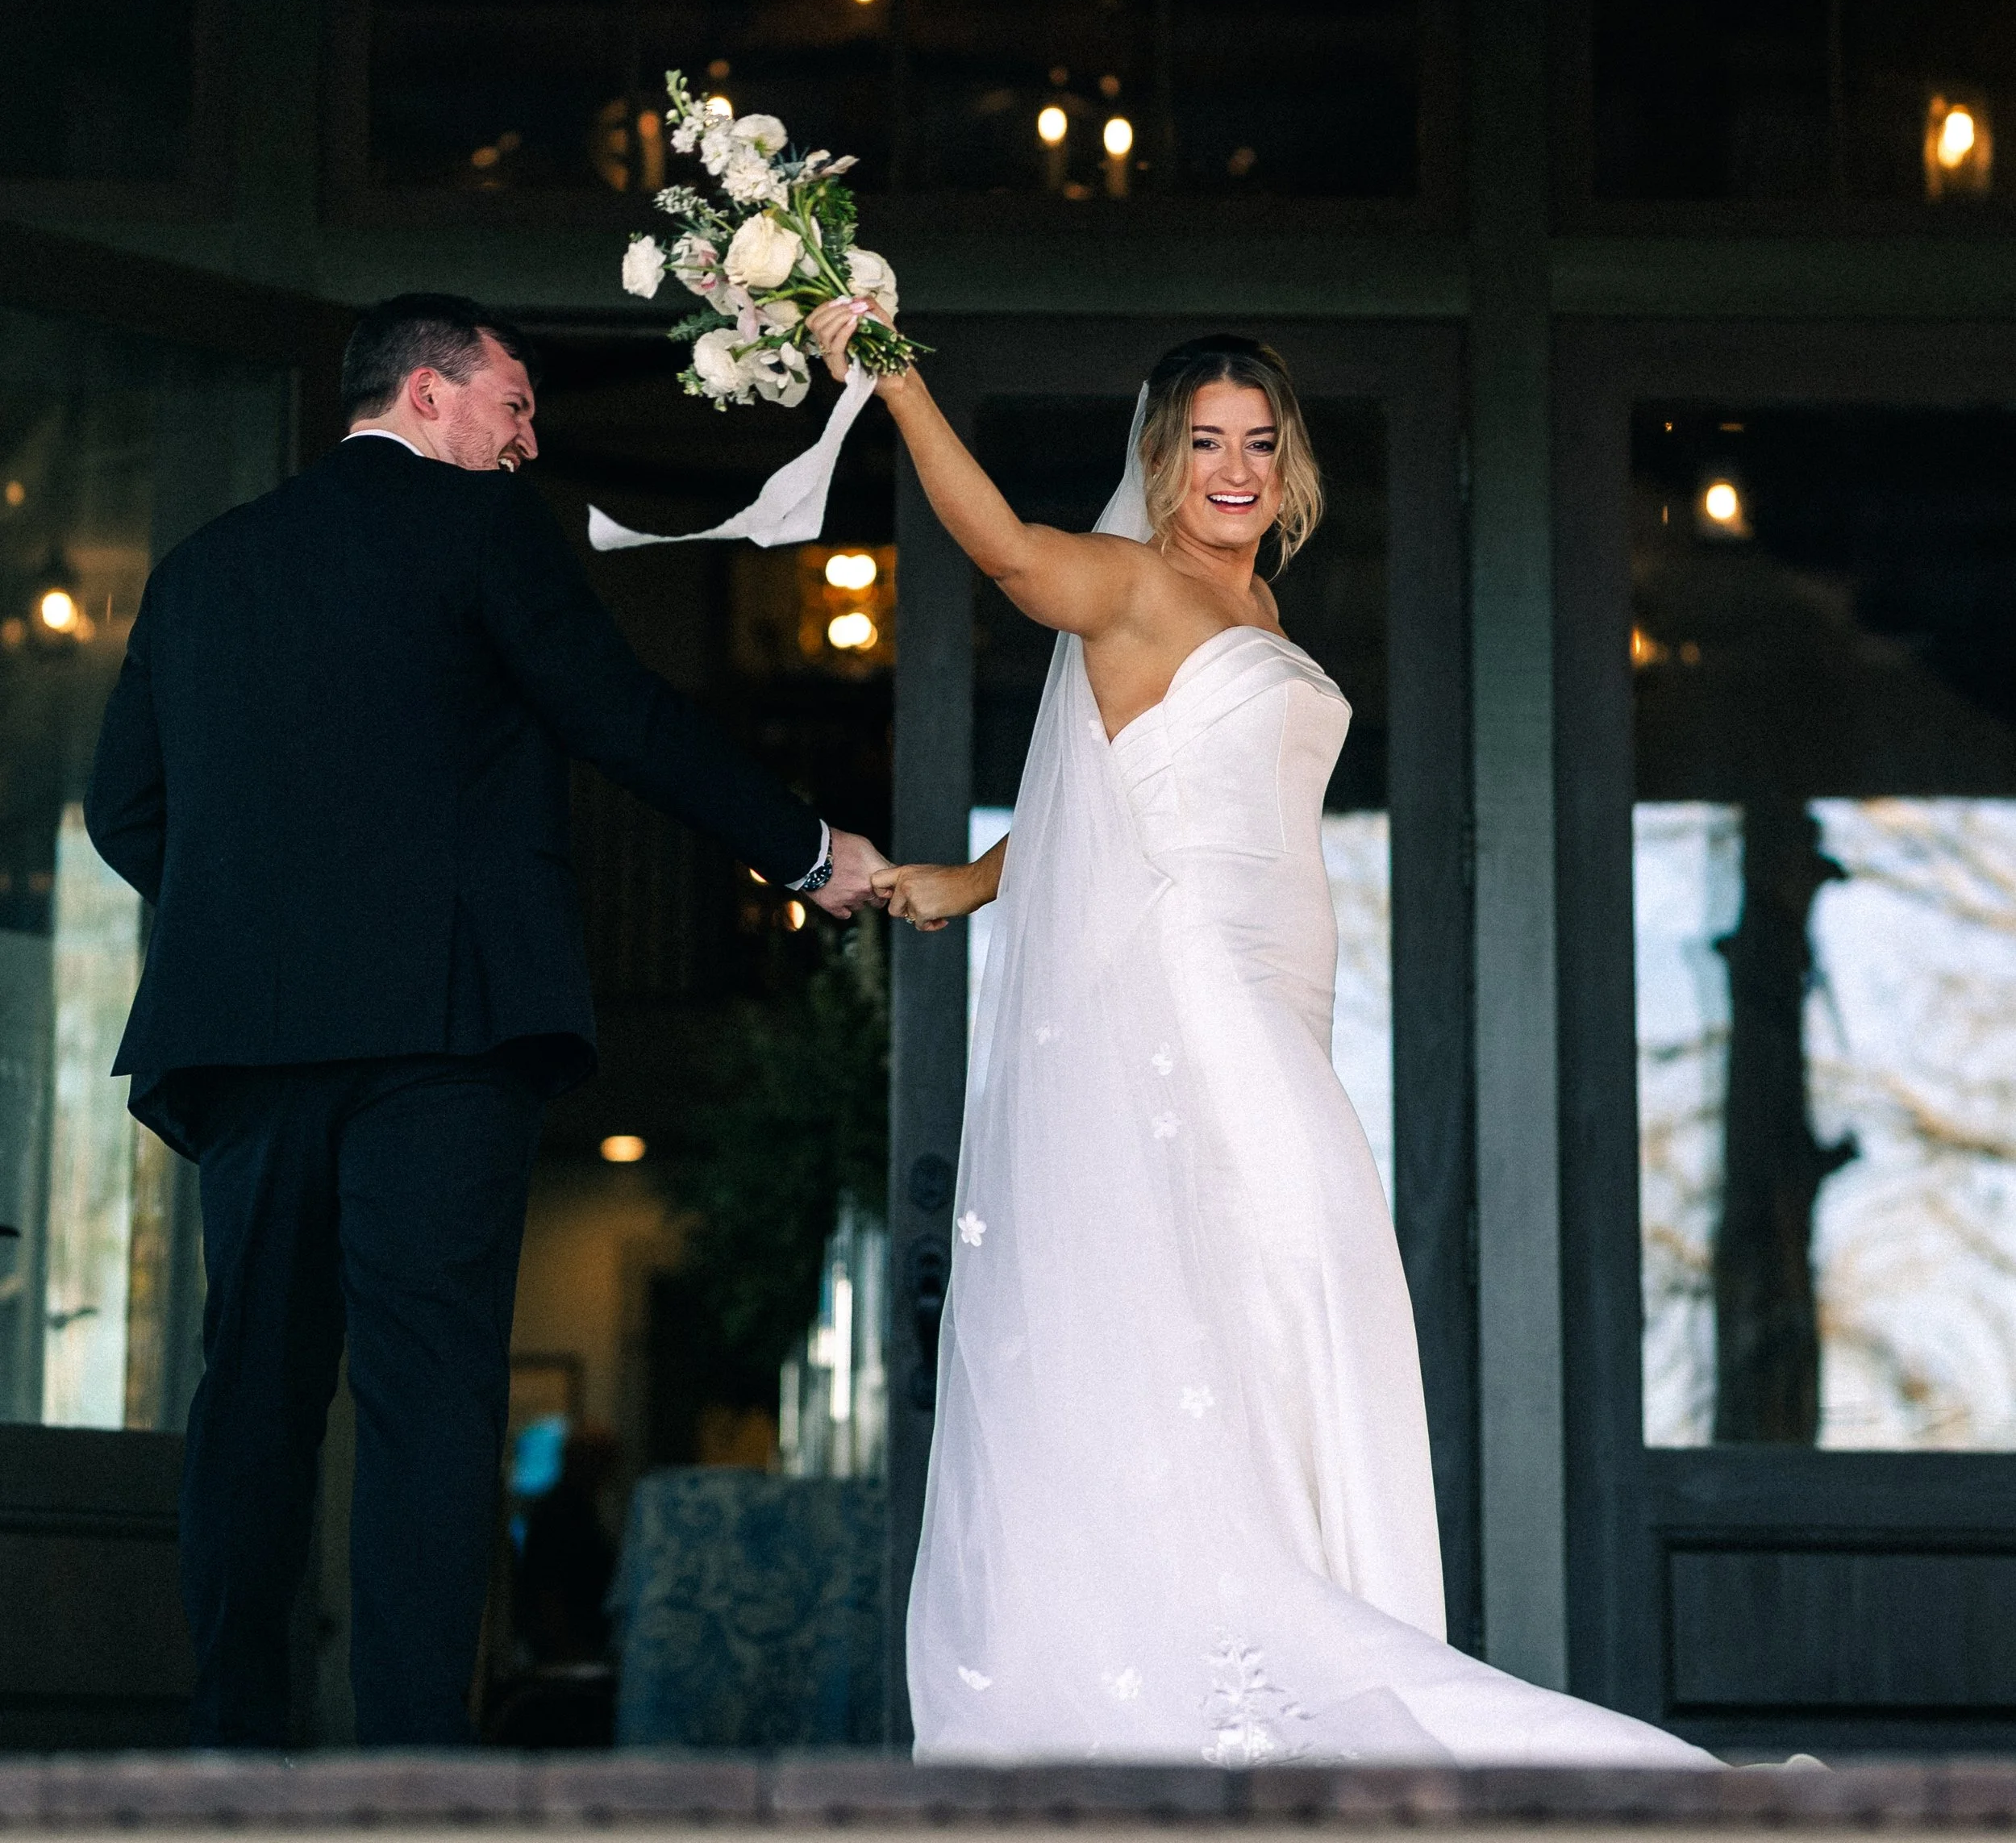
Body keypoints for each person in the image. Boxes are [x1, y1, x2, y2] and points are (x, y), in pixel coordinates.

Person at [809, 304, 1713, 1766]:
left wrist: (969, 881)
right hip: (1193, 992)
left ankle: (1280, 1614)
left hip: (1282, 992)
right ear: (1161, 459)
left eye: (1258, 441)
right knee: (1274, 1262)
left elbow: (1116, 802)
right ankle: (1243, 1654)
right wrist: (900, 382)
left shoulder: (1263, 613)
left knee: (1279, 1296)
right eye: (1205, 442)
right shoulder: (1132, 584)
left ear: (1286, 463)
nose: (1233, 468)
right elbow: (1002, 550)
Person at [86, 292, 885, 1749]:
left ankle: (232, 1749)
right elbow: (619, 716)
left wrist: (256, 917)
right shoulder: (481, 534)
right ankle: (404, 1768)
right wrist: (810, 851)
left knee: (251, 1392)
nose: (527, 444)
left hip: (247, 1043)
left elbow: (123, 810)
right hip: (441, 1039)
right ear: (431, 392)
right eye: (514, 407)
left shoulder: (202, 570)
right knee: (427, 1400)